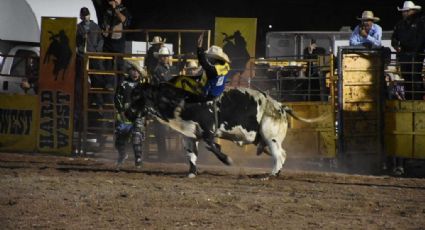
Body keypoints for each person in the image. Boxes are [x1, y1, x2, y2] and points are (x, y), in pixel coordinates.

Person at [114, 60, 147, 168]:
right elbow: (117, 98)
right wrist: (121, 111)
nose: (135, 73)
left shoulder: (143, 86)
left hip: (138, 115)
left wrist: (145, 115)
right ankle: (122, 155)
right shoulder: (123, 84)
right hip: (125, 115)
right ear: (129, 71)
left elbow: (146, 101)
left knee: (136, 136)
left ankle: (138, 158)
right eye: (133, 70)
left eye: (137, 71)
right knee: (119, 139)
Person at [391, 1, 425, 100]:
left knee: (415, 77)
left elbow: (422, 38)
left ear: (413, 11)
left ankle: (418, 99)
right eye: (404, 11)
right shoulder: (399, 24)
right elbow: (394, 38)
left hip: (416, 54)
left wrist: (417, 50)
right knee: (407, 78)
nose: (404, 13)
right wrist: (396, 46)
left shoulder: (420, 23)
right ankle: (409, 99)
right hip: (404, 55)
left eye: (407, 11)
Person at [101, 0, 131, 88]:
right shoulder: (107, 11)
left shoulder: (124, 10)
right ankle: (109, 84)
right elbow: (103, 24)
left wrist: (115, 10)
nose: (114, 1)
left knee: (120, 65)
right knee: (108, 64)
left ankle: (120, 84)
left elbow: (126, 21)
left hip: (119, 43)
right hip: (108, 42)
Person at [197, 32, 231, 101]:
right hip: (219, 91)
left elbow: (204, 63)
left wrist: (199, 48)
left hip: (210, 94)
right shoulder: (226, 66)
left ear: (214, 59)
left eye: (210, 58)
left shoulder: (213, 70)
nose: (209, 59)